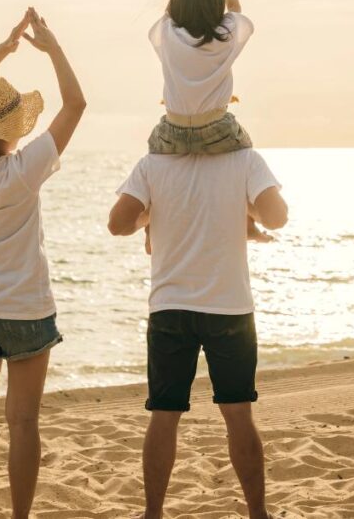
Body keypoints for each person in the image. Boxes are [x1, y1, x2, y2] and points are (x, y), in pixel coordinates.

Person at [0, 8, 85, 519]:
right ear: (11, 129)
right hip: (24, 311)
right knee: (23, 423)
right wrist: (51, 47)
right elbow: (76, 104)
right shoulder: (23, 171)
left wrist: (5, 47)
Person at [107, 144, 289, 519]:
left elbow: (117, 224)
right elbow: (278, 217)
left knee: (164, 415)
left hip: (171, 308)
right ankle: (258, 514)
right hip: (230, 310)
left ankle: (152, 514)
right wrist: (243, 204)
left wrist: (150, 214)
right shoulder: (244, 160)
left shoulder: (152, 165)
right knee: (238, 414)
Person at [145, 0, 271, 248]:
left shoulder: (166, 32)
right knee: (244, 158)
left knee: (152, 174)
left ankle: (150, 231)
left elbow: (168, 12)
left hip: (172, 130)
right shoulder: (225, 35)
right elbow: (237, 6)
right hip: (217, 130)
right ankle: (247, 223)